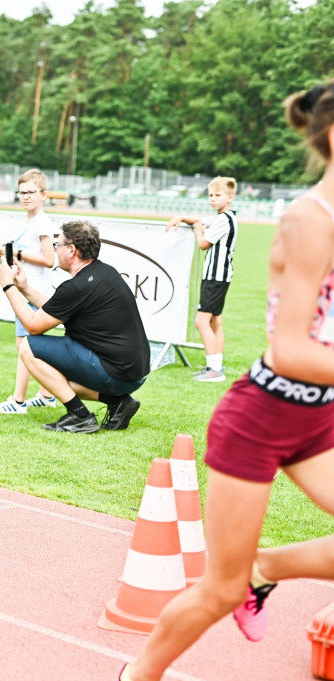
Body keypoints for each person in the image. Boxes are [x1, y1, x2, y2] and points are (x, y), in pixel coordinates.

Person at [119, 81, 334, 681]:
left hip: (319, 416)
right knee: (218, 589)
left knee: (242, 574)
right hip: (262, 417)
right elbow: (290, 349)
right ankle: (137, 675)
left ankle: (264, 571)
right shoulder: (311, 220)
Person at [0, 220, 150, 433]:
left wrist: (7, 285)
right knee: (55, 375)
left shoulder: (76, 287)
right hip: (133, 372)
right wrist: (24, 288)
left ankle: (79, 415)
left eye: (57, 245)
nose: (55, 250)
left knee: (28, 347)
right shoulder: (104, 273)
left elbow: (33, 326)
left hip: (116, 372)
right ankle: (119, 402)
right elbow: (55, 309)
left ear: (71, 250)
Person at [0, 169, 60, 415]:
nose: (26, 197)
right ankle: (47, 395)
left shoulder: (42, 222)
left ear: (43, 194)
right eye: (22, 193)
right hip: (26, 290)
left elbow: (49, 259)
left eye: (31, 192)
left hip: (33, 293)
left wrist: (16, 254)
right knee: (30, 345)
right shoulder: (30, 221)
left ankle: (18, 402)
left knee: (24, 346)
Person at [165, 176, 238, 382]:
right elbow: (200, 220)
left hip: (215, 277)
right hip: (219, 276)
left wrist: (198, 232)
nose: (213, 199)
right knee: (215, 321)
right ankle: (215, 365)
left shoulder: (224, 219)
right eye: (211, 195)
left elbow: (204, 243)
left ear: (230, 197)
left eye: (218, 195)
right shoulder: (225, 216)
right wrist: (182, 218)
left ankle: (214, 370)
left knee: (201, 321)